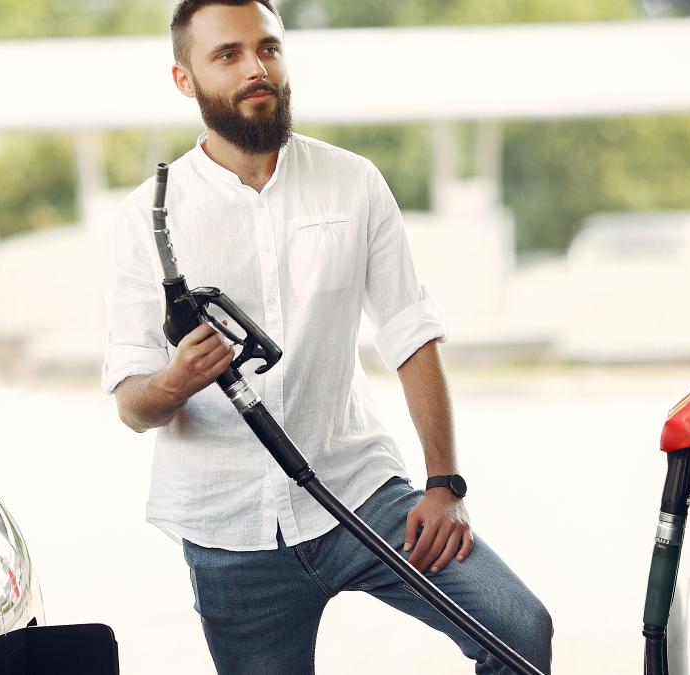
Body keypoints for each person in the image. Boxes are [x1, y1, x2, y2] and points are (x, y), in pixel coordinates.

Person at [101, 1, 552, 673]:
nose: (257, 68)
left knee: (519, 629)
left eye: (269, 48)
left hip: (361, 490)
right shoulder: (147, 218)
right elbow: (132, 405)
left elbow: (410, 332)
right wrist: (175, 380)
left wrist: (444, 484)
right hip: (231, 533)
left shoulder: (353, 182)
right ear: (184, 80)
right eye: (227, 54)